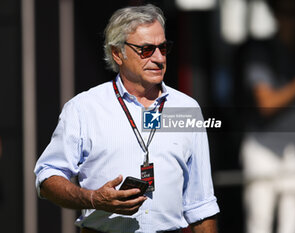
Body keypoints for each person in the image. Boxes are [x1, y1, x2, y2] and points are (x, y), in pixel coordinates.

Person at [34, 4, 219, 233]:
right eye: (146, 49)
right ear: (117, 53)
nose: (159, 58)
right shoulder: (84, 108)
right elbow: (48, 176)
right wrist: (92, 198)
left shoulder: (186, 108)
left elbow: (201, 203)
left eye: (163, 47)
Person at [240, 1, 295, 233]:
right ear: (275, 15)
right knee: (259, 224)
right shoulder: (261, 51)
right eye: (286, 13)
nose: (291, 20)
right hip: (262, 149)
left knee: (294, 226)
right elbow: (267, 103)